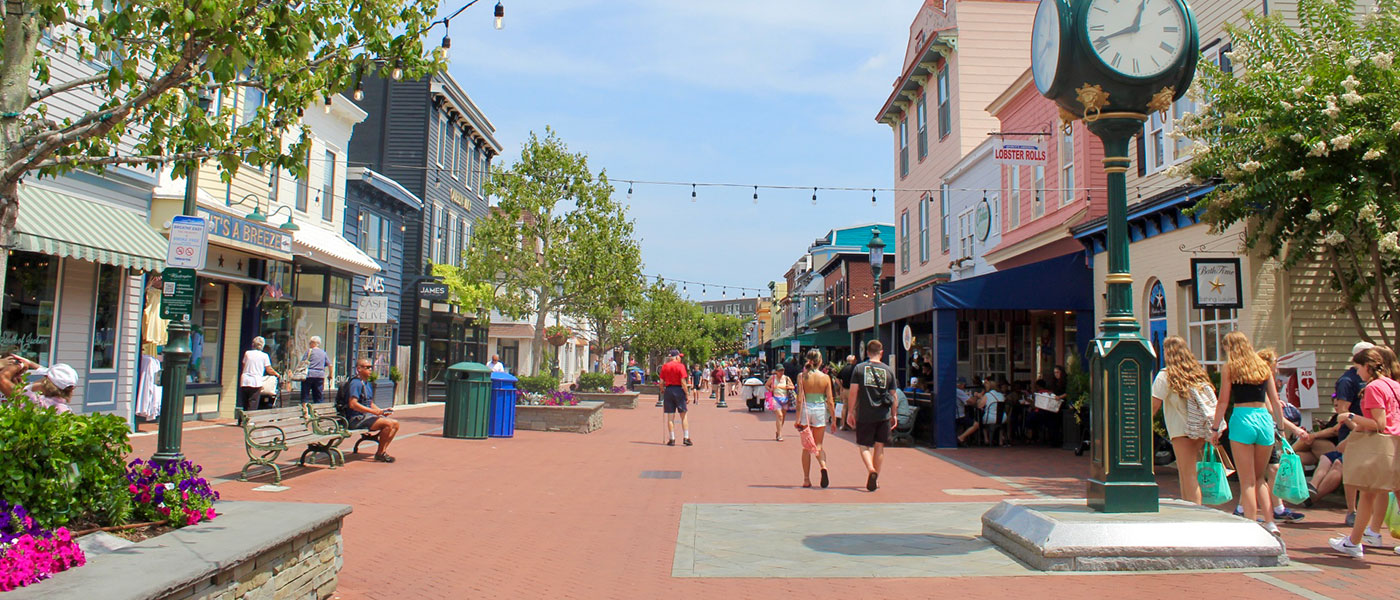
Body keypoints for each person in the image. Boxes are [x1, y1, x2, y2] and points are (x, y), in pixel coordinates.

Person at [1210, 332, 1298, 536]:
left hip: (1242, 418)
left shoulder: (1230, 368)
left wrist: (1215, 428)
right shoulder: (1263, 367)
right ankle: (1270, 522)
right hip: (1264, 420)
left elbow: (1223, 401)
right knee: (1261, 477)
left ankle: (1250, 523)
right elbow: (1275, 401)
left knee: (1247, 480)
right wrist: (1281, 429)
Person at [1329, 346, 1400, 558]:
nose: (1357, 372)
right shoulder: (1394, 385)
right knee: (1375, 492)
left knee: (1367, 492)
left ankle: (1354, 542)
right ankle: (1355, 540)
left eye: (1358, 367)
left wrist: (1349, 416)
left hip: (1381, 446)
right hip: (1395, 443)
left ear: (1368, 367)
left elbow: (1378, 423)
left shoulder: (1374, 388)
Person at [1151, 336, 1215, 504]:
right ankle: (1190, 510)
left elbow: (1153, 406)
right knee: (1188, 472)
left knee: (1188, 475)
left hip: (1181, 430)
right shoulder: (1196, 374)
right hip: (1199, 429)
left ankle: (1195, 514)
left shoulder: (1165, 376)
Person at [848, 339, 898, 492]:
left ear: (867, 352)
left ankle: (871, 469)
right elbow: (893, 395)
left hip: (865, 413)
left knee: (863, 445)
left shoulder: (859, 369)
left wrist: (850, 411)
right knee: (879, 446)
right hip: (883, 414)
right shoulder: (889, 371)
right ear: (881, 352)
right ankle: (875, 480)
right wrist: (894, 414)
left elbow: (853, 392)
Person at [1332, 340, 1373, 526]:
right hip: (1353, 432)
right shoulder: (1348, 380)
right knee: (1351, 471)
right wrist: (1355, 428)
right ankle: (1351, 511)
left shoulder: (1373, 379)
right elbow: (1342, 410)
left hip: (1370, 430)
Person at [344, 358, 400, 463]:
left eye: (371, 367)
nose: (370, 370)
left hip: (366, 417)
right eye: (367, 367)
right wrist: (373, 412)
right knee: (388, 424)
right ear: (359, 369)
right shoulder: (356, 383)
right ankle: (380, 454)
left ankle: (381, 451)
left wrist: (381, 411)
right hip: (356, 419)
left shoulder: (367, 383)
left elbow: (369, 403)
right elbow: (353, 404)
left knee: (395, 424)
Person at [796, 349, 835, 488]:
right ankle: (823, 465)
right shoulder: (825, 378)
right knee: (818, 445)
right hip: (819, 409)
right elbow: (830, 400)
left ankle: (806, 479)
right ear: (820, 361)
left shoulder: (802, 376)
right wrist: (834, 419)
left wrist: (797, 418)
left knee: (806, 447)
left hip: (806, 409)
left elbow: (800, 399)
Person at [0, 355, 77, 413]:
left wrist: (20, 365)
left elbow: (2, 379)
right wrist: (29, 363)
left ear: (46, 382)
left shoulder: (33, 400)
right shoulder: (63, 410)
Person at [659, 350, 692, 446]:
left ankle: (672, 438)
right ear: (676, 357)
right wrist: (686, 394)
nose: (680, 358)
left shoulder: (665, 366)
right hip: (678, 390)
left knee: (670, 416)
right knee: (683, 415)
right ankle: (686, 437)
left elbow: (661, 382)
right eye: (680, 356)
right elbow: (683, 382)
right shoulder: (681, 366)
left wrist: (662, 390)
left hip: (669, 390)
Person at [239, 337, 279, 413]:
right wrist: (277, 374)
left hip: (245, 380)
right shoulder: (264, 356)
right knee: (253, 402)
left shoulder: (247, 353)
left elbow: (244, 365)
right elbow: (269, 369)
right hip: (256, 381)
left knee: (245, 402)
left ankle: (242, 419)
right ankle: (250, 420)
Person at [766, 365, 795, 441]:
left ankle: (778, 431)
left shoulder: (786, 378)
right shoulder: (772, 378)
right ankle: (780, 435)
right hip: (775, 398)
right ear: (776, 371)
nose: (781, 372)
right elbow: (766, 385)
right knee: (780, 415)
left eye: (782, 370)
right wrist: (770, 389)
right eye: (779, 371)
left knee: (783, 417)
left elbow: (792, 386)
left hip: (785, 398)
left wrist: (789, 387)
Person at [300, 336, 329, 404]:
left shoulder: (309, 351)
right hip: (319, 376)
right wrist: (330, 374)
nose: (309, 344)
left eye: (310, 343)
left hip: (309, 375)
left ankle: (305, 411)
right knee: (318, 396)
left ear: (313, 343)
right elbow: (329, 364)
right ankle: (318, 411)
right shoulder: (323, 353)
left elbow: (303, 362)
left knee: (305, 395)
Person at [837, 355, 857, 430]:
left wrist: (841, 386)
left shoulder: (844, 368)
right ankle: (853, 425)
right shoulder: (854, 369)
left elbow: (837, 378)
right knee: (854, 407)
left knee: (844, 407)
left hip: (844, 390)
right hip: (852, 390)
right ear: (853, 361)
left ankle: (843, 424)